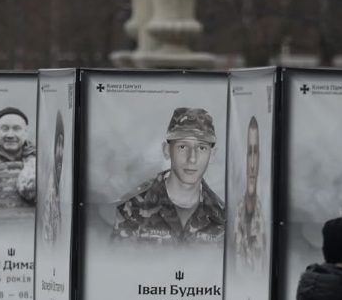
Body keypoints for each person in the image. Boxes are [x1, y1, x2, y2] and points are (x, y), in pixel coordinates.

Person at [112, 107, 225, 245]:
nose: (192, 158)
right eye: (182, 147)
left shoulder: (223, 217)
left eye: (201, 148)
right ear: (166, 150)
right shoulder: (130, 209)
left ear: (212, 155)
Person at [233, 116, 266, 272]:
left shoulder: (264, 211)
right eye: (249, 153)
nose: (252, 166)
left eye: (256, 153)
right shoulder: (238, 211)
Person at [42, 111, 65, 243]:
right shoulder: (48, 189)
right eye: (58, 147)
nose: (60, 153)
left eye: (62, 147)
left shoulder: (60, 187)